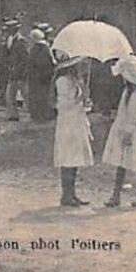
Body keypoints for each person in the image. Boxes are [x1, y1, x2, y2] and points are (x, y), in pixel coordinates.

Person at [102, 54, 136, 208]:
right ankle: (116, 194)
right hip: (123, 127)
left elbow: (133, 116)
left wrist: (128, 133)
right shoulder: (127, 92)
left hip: (133, 131)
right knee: (121, 162)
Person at [53, 56, 92, 207]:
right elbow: (63, 105)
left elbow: (79, 101)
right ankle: (66, 194)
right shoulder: (62, 81)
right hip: (67, 123)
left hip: (76, 122)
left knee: (75, 158)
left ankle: (72, 193)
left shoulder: (75, 80)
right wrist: (79, 98)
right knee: (67, 158)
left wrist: (85, 100)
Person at [28, 28, 55, 120]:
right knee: (43, 96)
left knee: (39, 96)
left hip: (39, 77)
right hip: (44, 76)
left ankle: (40, 115)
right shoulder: (45, 48)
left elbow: (36, 63)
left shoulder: (37, 49)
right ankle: (43, 114)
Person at [4, 19, 29, 120]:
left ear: (16, 29)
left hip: (20, 73)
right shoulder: (10, 40)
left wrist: (18, 69)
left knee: (26, 94)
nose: (10, 31)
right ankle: (13, 115)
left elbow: (24, 58)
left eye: (11, 29)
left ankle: (32, 113)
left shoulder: (20, 41)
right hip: (12, 72)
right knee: (10, 95)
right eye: (9, 29)